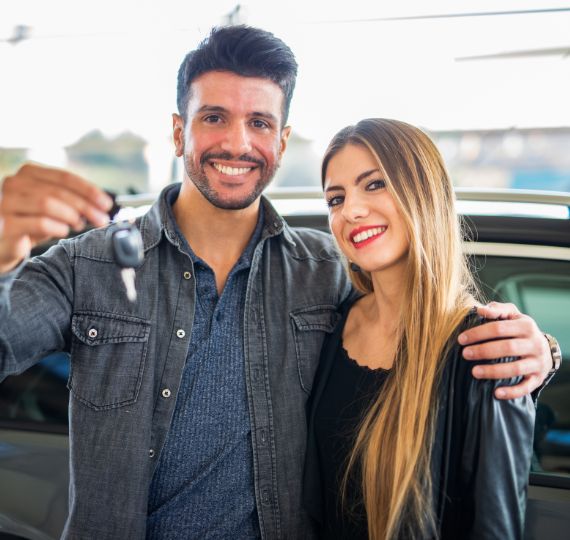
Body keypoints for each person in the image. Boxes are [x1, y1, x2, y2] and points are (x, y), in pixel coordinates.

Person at [0, 26, 556, 539]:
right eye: (213, 117)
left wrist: (540, 352)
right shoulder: (88, 265)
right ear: (178, 131)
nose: (237, 144)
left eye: (259, 123)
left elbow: (422, 322)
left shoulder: (326, 271)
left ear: (282, 142)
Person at [303, 118, 537, 539]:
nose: (350, 210)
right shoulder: (328, 324)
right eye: (335, 198)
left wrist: (547, 352)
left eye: (374, 184)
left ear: (422, 193)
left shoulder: (486, 349)